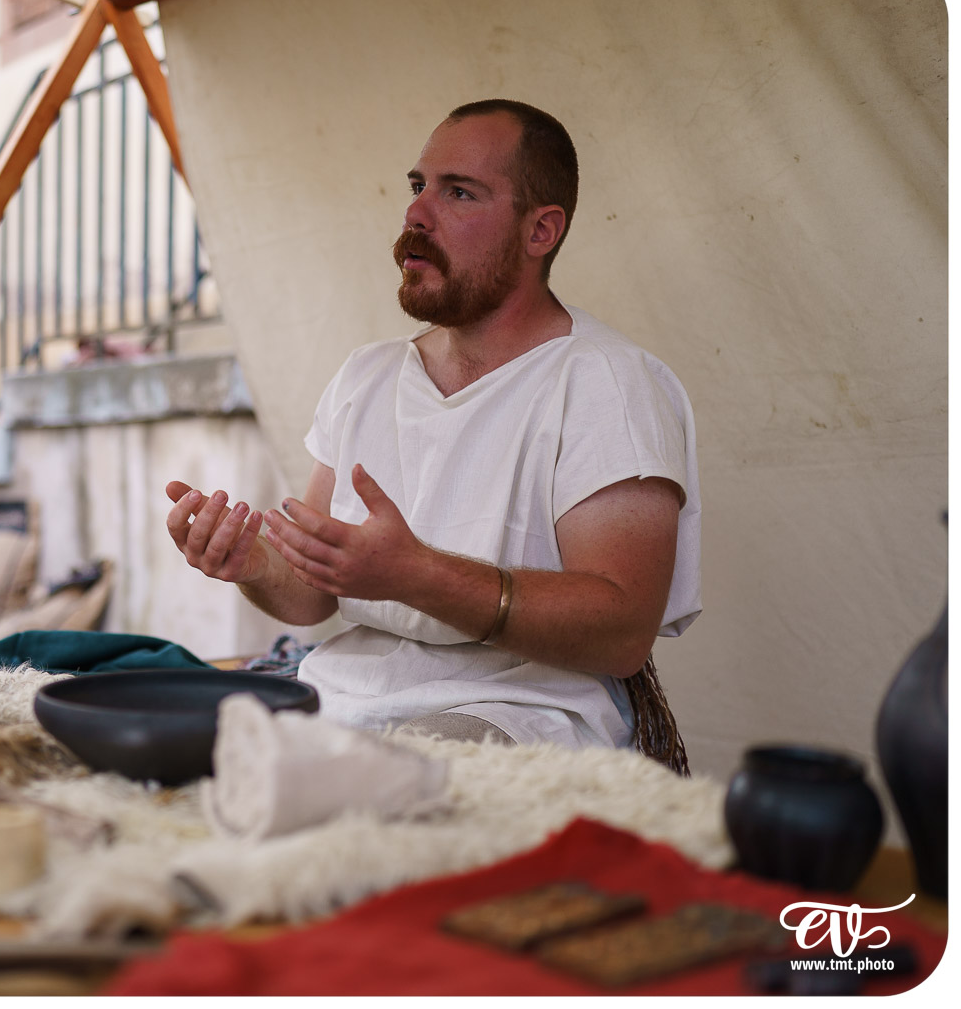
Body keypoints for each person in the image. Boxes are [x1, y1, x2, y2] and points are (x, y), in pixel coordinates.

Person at [164, 100, 700, 771]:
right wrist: (252, 563)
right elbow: (310, 593)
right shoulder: (368, 375)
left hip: (517, 719)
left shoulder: (608, 384)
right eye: (419, 187)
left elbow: (621, 630)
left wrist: (418, 575)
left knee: (362, 795)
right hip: (339, 701)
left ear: (541, 230)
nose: (417, 215)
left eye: (459, 193)